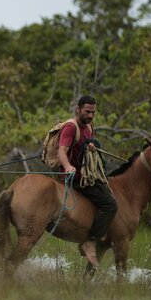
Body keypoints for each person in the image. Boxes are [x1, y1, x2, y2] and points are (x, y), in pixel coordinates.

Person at [57, 95, 117, 267]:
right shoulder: (70, 127)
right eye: (87, 111)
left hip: (86, 175)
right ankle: (90, 241)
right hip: (74, 178)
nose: (90, 115)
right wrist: (68, 166)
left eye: (93, 112)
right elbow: (62, 151)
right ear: (78, 110)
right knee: (110, 205)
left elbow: (86, 149)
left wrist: (91, 146)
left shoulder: (89, 127)